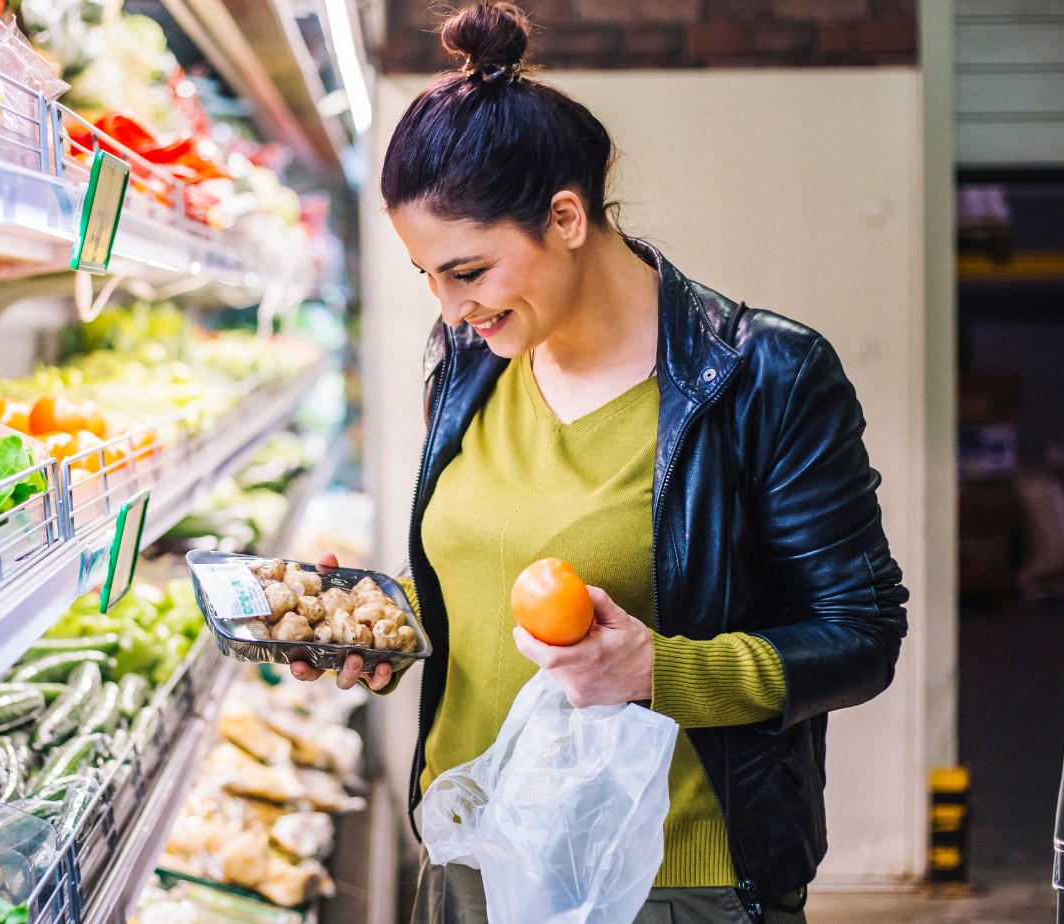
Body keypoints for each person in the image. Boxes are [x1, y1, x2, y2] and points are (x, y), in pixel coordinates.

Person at [291, 2, 909, 921]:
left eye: (467, 271)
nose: (449, 305)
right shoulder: (470, 363)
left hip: (665, 877)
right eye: (426, 274)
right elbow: (494, 570)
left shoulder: (764, 375)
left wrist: (657, 672)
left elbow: (862, 635)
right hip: (471, 849)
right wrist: (384, 621)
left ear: (567, 218)